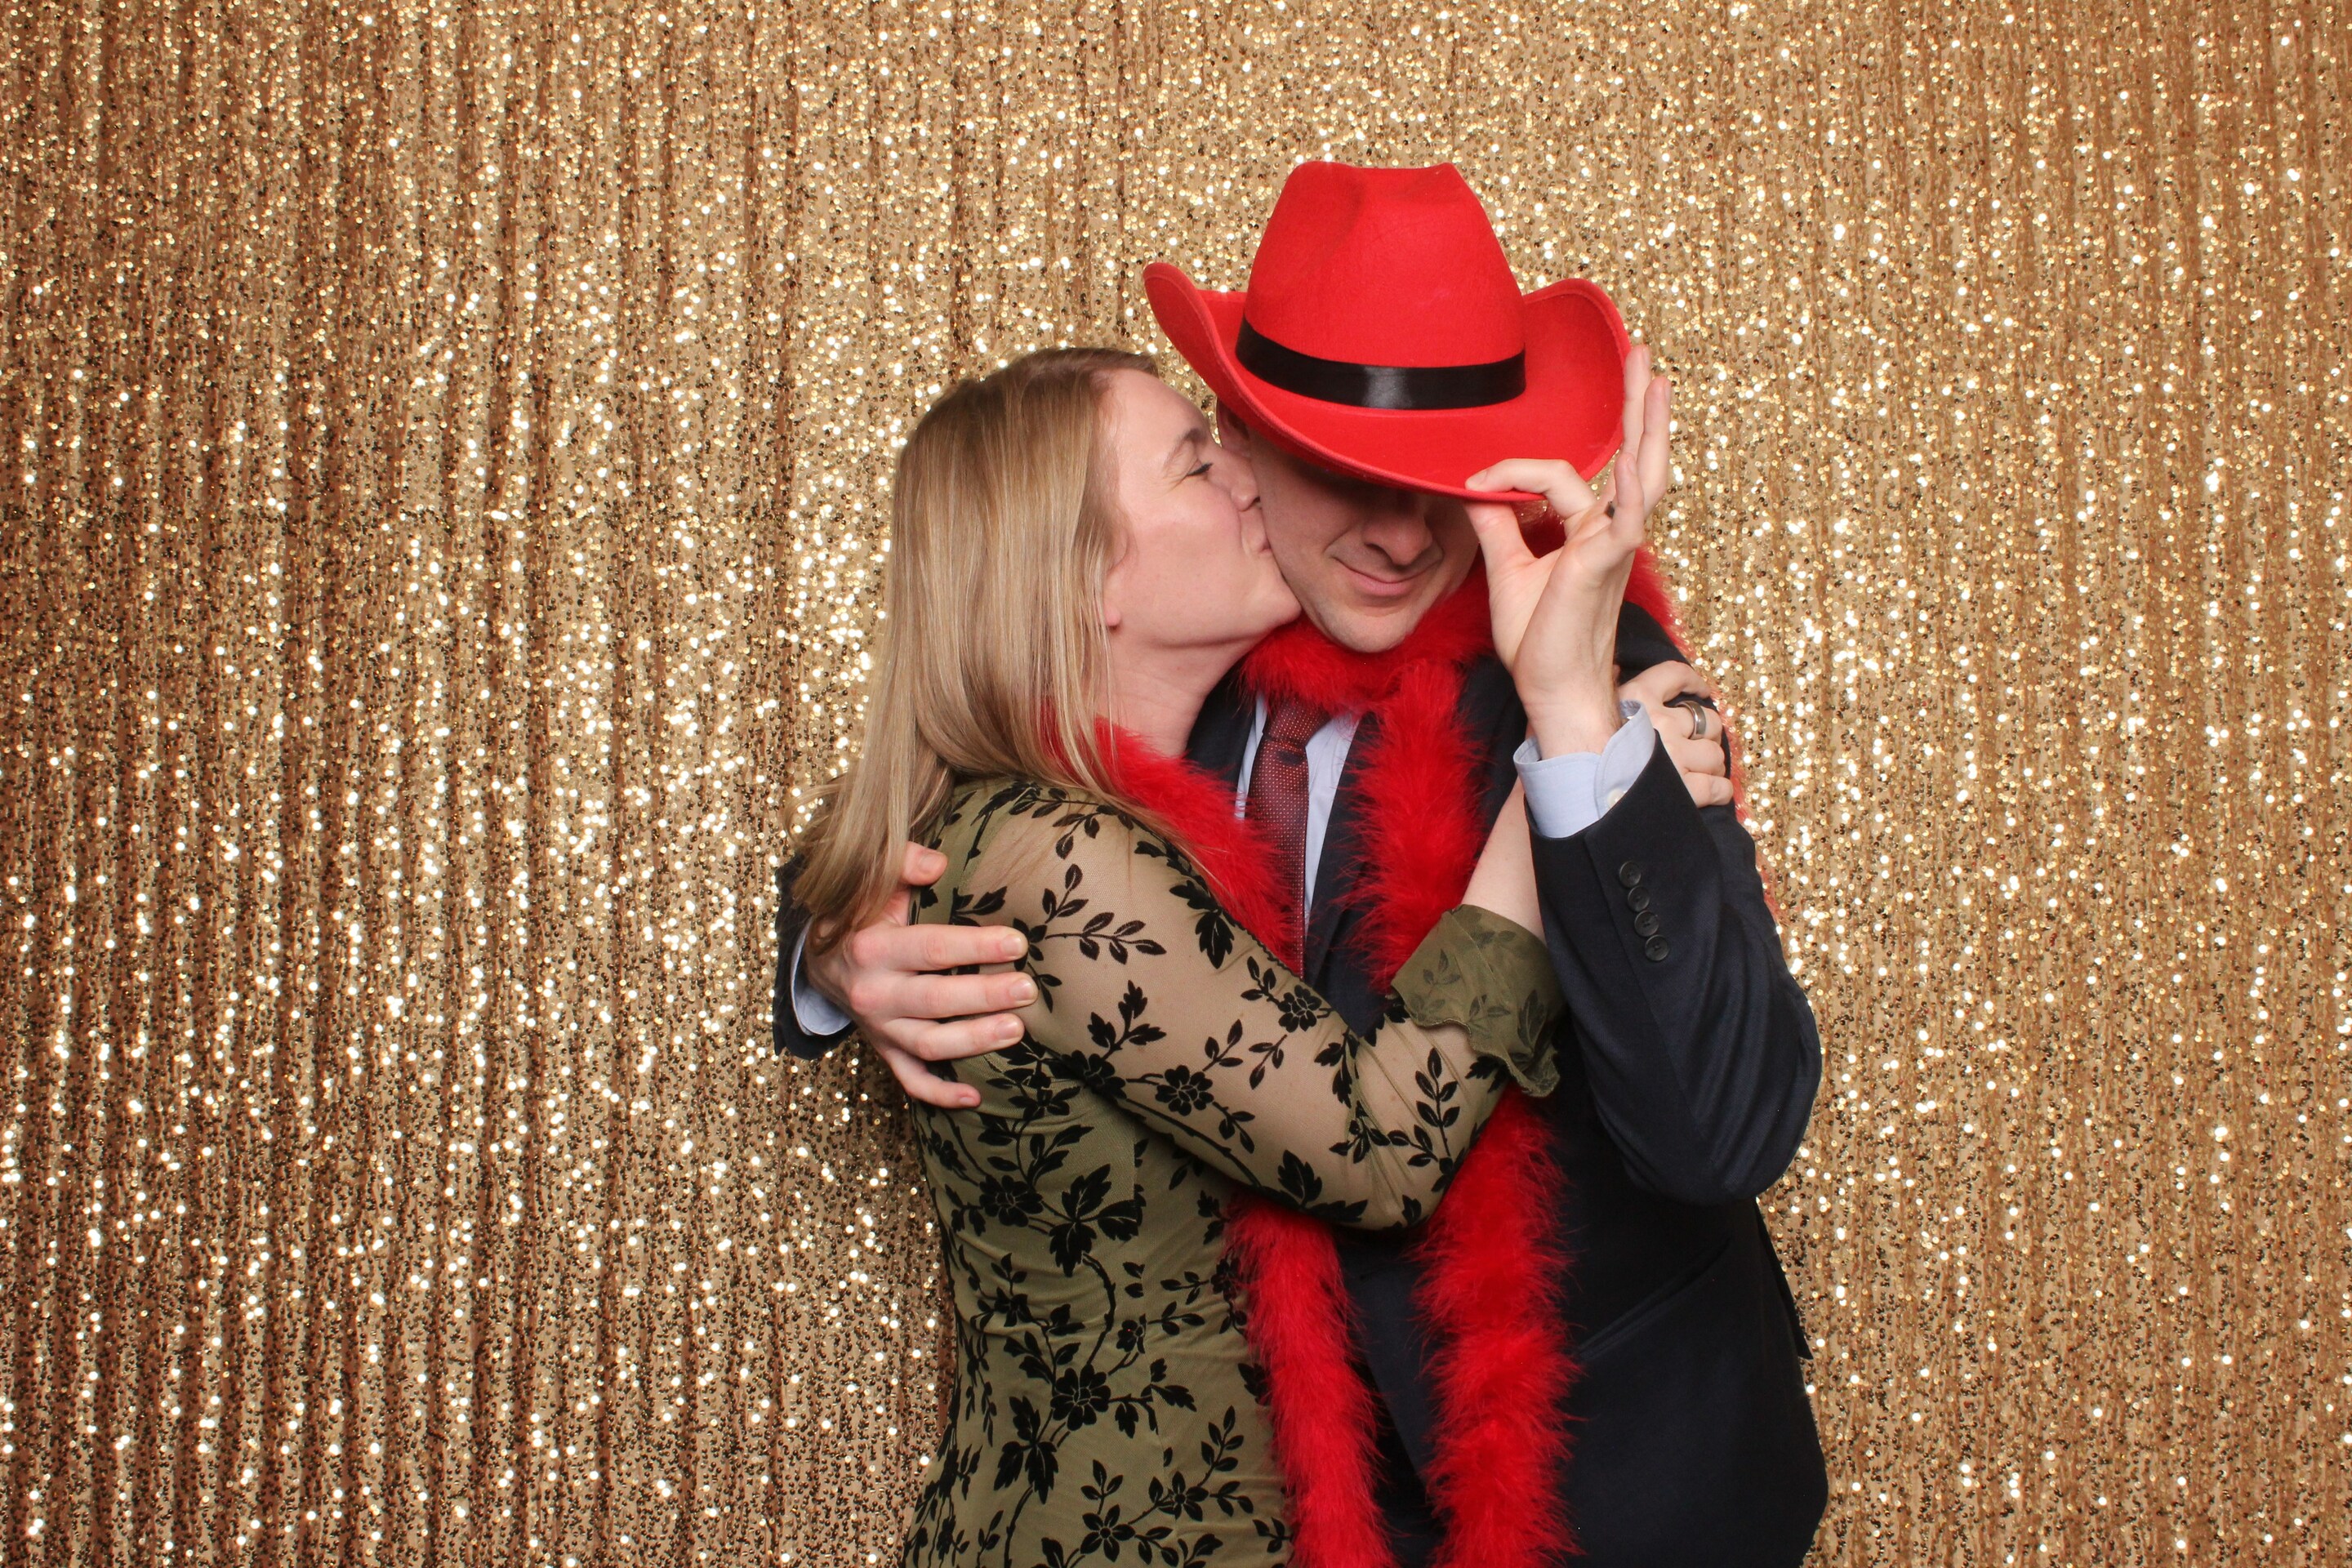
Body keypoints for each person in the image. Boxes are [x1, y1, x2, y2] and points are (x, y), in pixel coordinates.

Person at [780, 164, 1828, 1566]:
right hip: (1310, 1511)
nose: (1397, 536)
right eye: (1342, 469)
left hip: (1620, 1499)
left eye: (1437, 483)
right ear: (1241, 443)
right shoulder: (1180, 654)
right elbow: (949, 792)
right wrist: (842, 947)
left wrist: (1577, 743)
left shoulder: (1604, 675)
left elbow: (1724, 1134)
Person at [790, 345, 1604, 1566]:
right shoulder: (1067, 854)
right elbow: (1380, 1150)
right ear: (1086, 575)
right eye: (1194, 463)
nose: (1249, 479)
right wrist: (1565, 771)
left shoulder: (1027, 821)